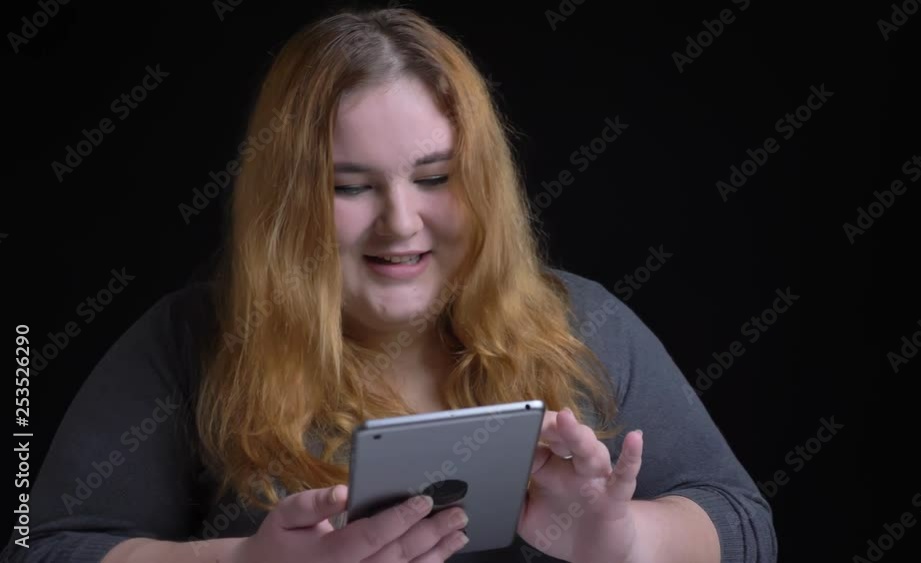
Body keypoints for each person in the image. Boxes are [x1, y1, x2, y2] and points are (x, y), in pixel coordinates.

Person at [2, 7, 776, 563]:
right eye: (350, 187)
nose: (401, 223)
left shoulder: (583, 322)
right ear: (287, 200)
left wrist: (627, 542)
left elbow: (745, 523)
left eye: (436, 177)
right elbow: (48, 550)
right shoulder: (189, 341)